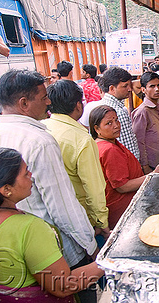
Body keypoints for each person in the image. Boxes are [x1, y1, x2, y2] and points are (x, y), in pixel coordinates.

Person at [0, 70, 98, 273]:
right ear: (24, 103)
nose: (49, 102)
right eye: (44, 97)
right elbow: (62, 205)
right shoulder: (39, 141)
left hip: (5, 252)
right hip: (55, 251)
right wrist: (90, 246)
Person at [0, 148, 104, 301]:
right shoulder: (29, 228)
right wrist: (106, 262)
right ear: (6, 189)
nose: (31, 176)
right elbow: (62, 286)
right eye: (25, 173)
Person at [43, 80, 110, 240]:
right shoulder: (81, 139)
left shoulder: (43, 127)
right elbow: (94, 187)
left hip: (50, 214)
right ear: (78, 105)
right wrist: (102, 223)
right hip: (80, 216)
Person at [90, 105, 159, 229]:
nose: (116, 125)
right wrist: (154, 173)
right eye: (109, 123)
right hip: (122, 208)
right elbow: (122, 186)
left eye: (116, 120)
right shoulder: (109, 149)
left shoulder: (105, 143)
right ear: (97, 128)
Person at [100, 67, 141, 161]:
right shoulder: (117, 112)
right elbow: (129, 147)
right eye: (125, 86)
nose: (130, 89)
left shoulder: (103, 105)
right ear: (112, 88)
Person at [131, 72, 159, 173]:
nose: (157, 89)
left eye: (158, 85)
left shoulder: (158, 107)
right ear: (143, 90)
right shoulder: (142, 112)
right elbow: (138, 141)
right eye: (152, 86)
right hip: (150, 164)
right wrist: (145, 166)